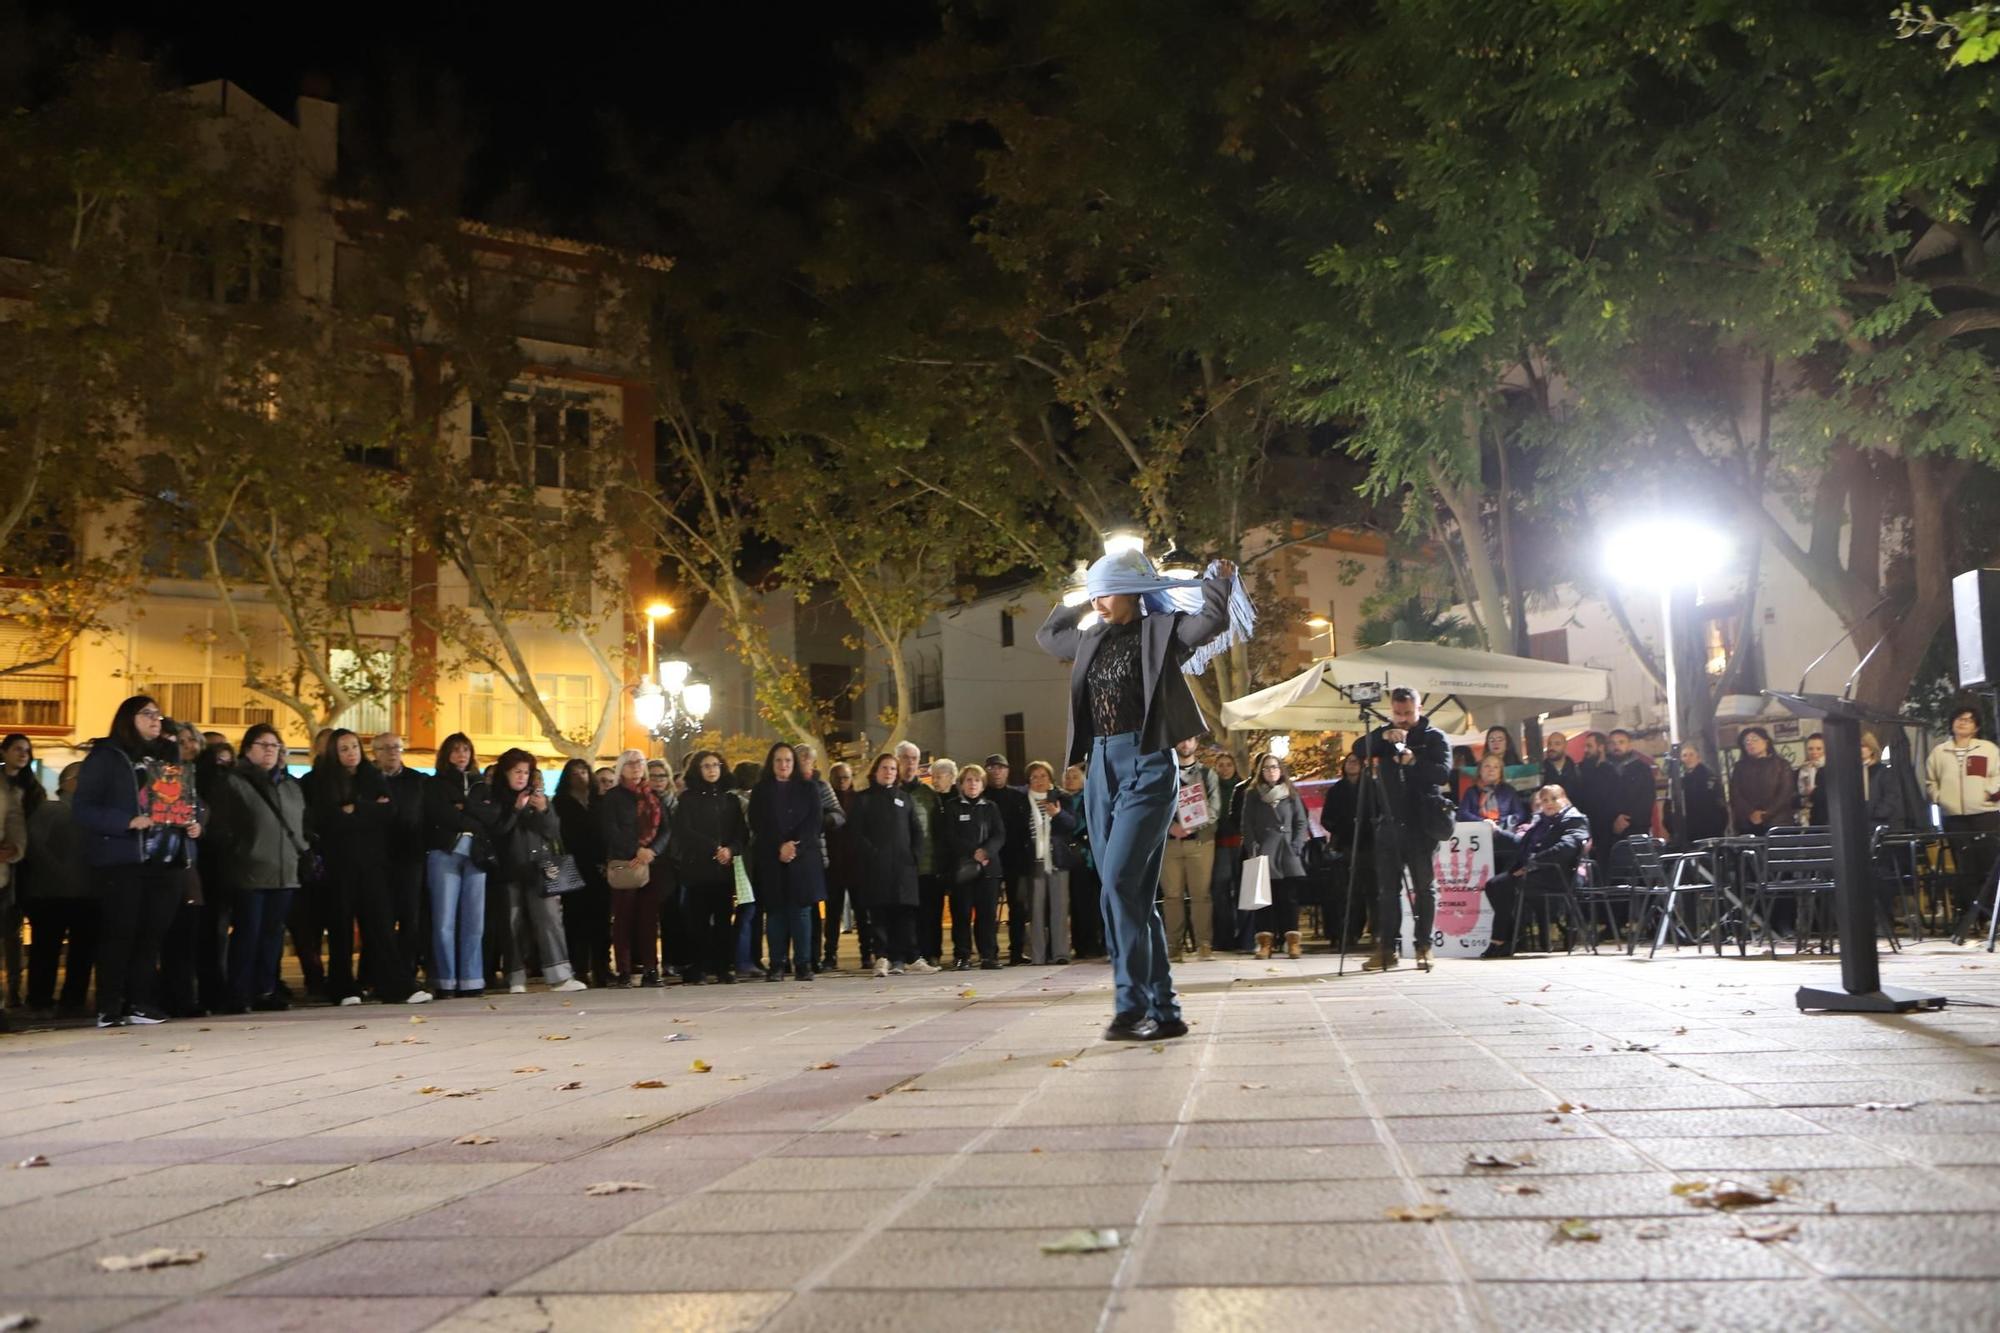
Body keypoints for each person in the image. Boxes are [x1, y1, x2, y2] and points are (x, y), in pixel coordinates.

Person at [1037, 549, 1248, 1041]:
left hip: (1148, 763)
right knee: (1127, 896)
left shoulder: (1162, 631)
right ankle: (1166, 1011)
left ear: (1132, 592)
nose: (1099, 601)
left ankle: (1131, 1006)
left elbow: (1212, 619)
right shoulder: (1091, 636)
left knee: (1118, 885)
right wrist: (1080, 589)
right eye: (1095, 594)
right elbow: (1048, 636)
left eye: (1106, 591)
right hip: (1099, 769)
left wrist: (1220, 582)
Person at [74, 696, 203, 1028]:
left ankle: (139, 1002)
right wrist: (126, 821)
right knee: (121, 933)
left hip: (168, 857)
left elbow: (188, 799)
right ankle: (109, 1006)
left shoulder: (167, 756)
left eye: (158, 715)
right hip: (124, 858)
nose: (155, 720)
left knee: (152, 934)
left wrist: (194, 821)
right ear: (127, 718)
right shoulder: (107, 756)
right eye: (147, 714)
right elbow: (83, 808)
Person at [308, 729, 421, 1005]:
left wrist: (354, 808)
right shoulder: (319, 781)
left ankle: (395, 985)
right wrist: (366, 811)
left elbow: (387, 812)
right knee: (341, 927)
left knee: (381, 926)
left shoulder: (372, 777)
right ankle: (343, 987)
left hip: (373, 864)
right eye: (344, 748)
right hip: (339, 865)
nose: (350, 753)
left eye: (354, 747)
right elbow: (327, 819)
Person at [210, 723, 308, 1012]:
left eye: (274, 745)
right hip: (249, 871)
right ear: (248, 749)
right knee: (247, 934)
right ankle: (239, 993)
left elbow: (300, 823)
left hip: (285, 871)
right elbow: (222, 827)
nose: (269, 750)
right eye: (262, 745)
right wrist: (238, 852)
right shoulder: (233, 782)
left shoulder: (290, 785)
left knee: (273, 935)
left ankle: (265, 990)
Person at [1352, 686, 1451, 973]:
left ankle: (1424, 945)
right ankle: (1387, 948)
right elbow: (1358, 749)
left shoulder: (1434, 738)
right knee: (1386, 891)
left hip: (1422, 824)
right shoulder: (1385, 734)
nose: (1403, 719)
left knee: (1424, 888)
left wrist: (1414, 761)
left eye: (1408, 713)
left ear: (1418, 709)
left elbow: (1443, 773)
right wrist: (1381, 736)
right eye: (1398, 713)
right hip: (1390, 823)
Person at [487, 749, 585, 994]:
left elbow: (553, 831)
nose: (521, 777)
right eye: (516, 772)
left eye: (526, 772)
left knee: (550, 920)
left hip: (539, 868)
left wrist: (543, 810)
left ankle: (560, 976)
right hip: (508, 869)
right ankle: (515, 976)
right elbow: (498, 831)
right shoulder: (494, 798)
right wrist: (516, 809)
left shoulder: (538, 798)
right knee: (512, 924)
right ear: (505, 773)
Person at [747, 742, 831, 982]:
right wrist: (779, 846)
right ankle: (777, 964)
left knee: (801, 913)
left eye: (787, 760)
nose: (783, 765)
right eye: (778, 761)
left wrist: (795, 846)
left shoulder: (808, 788)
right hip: (772, 859)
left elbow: (814, 822)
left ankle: (803, 964)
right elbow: (757, 822)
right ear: (771, 764)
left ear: (794, 763)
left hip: (802, 859)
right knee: (775, 914)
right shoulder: (761, 790)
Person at [422, 732, 497, 999]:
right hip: (445, 851)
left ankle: (471, 978)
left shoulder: (481, 784)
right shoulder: (434, 784)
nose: (461, 754)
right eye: (455, 750)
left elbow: (492, 815)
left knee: (474, 920)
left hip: (476, 854)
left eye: (465, 749)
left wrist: (465, 808)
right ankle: (445, 979)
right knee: (444, 919)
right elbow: (440, 814)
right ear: (446, 754)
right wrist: (470, 813)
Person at [1480, 785, 1591, 958]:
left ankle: (1503, 939)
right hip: (1540, 872)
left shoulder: (1575, 819)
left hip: (1558, 875)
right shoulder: (1543, 822)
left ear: (1564, 799)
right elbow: (1523, 844)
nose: (1549, 804)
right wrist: (1499, 833)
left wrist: (1531, 864)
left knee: (1501, 885)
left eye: (1554, 799)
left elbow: (1566, 848)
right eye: (1545, 800)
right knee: (1494, 885)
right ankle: (1508, 937)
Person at [848, 752, 932, 977]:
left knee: (904, 914)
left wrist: (915, 855)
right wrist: (872, 854)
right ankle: (882, 957)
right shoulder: (863, 798)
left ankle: (910, 957)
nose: (889, 772)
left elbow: (916, 830)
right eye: (884, 768)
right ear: (875, 771)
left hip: (903, 866)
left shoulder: (904, 798)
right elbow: (856, 832)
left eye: (893, 769)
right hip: (876, 867)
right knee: (880, 913)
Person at [670, 750, 748, 984]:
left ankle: (724, 967)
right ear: (697, 769)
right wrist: (713, 848)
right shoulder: (687, 799)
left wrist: (730, 850)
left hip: (724, 870)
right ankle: (698, 967)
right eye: (706, 766)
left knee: (724, 920)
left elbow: (741, 833)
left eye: (716, 765)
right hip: (698, 869)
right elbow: (684, 831)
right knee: (698, 921)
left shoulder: (730, 800)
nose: (712, 769)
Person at [23, 763, 94, 1019]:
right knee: (46, 950)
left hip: (86, 894)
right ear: (67, 782)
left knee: (82, 951)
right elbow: (35, 846)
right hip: (50, 893)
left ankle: (73, 1000)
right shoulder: (51, 810)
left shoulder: (93, 815)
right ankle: (39, 1000)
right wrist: (59, 871)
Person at [597, 749, 669, 987]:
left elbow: (666, 829)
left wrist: (652, 850)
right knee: (624, 920)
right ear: (621, 768)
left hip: (650, 864)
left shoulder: (653, 795)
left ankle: (650, 969)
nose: (636, 766)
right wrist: (635, 850)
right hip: (625, 863)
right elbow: (610, 831)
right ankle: (625, 971)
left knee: (649, 920)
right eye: (630, 763)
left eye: (639, 762)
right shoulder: (613, 797)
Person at [1926, 707, 2000, 921]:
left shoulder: (1988, 749)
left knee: (1989, 861)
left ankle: (1992, 913)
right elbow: (1931, 781)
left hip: (1986, 814)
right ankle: (1972, 914)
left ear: (1976, 726)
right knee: (1964, 864)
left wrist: (1988, 792)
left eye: (1968, 720)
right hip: (1954, 817)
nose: (1963, 723)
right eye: (1959, 719)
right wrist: (1939, 798)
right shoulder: (1940, 752)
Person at [371, 734, 431, 984]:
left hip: (411, 858)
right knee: (380, 920)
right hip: (377, 860)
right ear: (375, 753)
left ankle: (407, 973)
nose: (392, 752)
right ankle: (378, 975)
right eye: (385, 748)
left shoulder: (419, 781)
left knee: (410, 918)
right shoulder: (368, 781)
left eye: (396, 747)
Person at [1240, 750, 1311, 959]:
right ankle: (1265, 943)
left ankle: (1292, 942)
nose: (1271, 771)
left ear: (1281, 770)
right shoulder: (1253, 794)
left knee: (1289, 898)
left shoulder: (1291, 793)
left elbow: (1300, 822)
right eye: (1267, 768)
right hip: (1264, 851)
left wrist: (1297, 845)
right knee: (1263, 899)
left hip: (1287, 850)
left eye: (1274, 767)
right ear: (1260, 772)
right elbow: (1247, 824)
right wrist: (1253, 848)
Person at [1160, 738, 1223, 961]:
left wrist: (1190, 826)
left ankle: (1204, 945)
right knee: (1172, 897)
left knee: (1201, 896)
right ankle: (1173, 947)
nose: (1185, 743)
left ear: (1196, 743)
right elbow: (1153, 807)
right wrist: (1171, 827)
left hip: (1200, 843)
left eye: (1190, 739)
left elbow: (1215, 809)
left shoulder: (1208, 774)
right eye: (1181, 739)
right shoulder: (1162, 773)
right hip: (1169, 844)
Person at [942, 762, 1006, 969]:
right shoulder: (952, 807)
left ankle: (988, 955)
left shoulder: (991, 807)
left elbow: (999, 834)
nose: (973, 784)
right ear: (961, 784)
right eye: (968, 780)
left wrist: (986, 851)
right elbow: (949, 836)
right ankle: (962, 956)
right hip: (963, 869)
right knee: (961, 914)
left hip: (989, 869)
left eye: (977, 780)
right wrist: (973, 852)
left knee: (987, 915)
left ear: (983, 784)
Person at [553, 758, 611, 987]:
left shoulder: (600, 802)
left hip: (598, 866)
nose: (580, 776)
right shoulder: (560, 802)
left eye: (584, 771)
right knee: (574, 919)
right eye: (575, 773)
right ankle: (579, 968)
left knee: (601, 919)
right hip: (571, 865)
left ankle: (602, 968)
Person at [793, 743, 846, 972]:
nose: (805, 761)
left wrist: (820, 822)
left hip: (815, 853)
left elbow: (838, 815)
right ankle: (790, 958)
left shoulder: (821, 786)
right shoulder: (785, 786)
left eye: (808, 758)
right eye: (800, 758)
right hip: (789, 854)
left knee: (813, 909)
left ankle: (814, 957)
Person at [978, 754, 1034, 964]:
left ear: (1007, 770)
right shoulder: (982, 797)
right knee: (988, 907)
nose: (996, 771)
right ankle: (989, 952)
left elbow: (1026, 830)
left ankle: (1017, 951)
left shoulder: (1018, 797)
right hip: (990, 859)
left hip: (1015, 859)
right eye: (992, 767)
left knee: (1017, 907)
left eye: (1000, 767)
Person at [896, 742, 947, 966]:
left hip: (928, 865)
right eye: (905, 758)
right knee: (906, 915)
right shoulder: (892, 792)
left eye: (914, 759)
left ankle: (932, 954)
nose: (910, 763)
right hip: (901, 866)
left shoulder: (928, 794)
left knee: (931, 914)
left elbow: (938, 830)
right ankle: (908, 955)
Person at [1023, 761, 1076, 964]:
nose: (1039, 781)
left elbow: (1072, 824)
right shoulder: (1023, 799)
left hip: (1057, 860)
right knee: (1035, 911)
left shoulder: (1062, 798)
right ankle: (1038, 955)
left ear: (1050, 779)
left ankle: (1060, 953)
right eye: (1034, 777)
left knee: (1060, 909)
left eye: (1043, 776)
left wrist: (1057, 814)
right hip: (1033, 861)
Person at [1320, 753, 1374, 950]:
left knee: (1368, 890)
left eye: (1355, 762)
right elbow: (1326, 818)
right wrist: (1340, 827)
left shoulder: (1371, 787)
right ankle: (1347, 932)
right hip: (1344, 845)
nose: (1352, 765)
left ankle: (1371, 931)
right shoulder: (1337, 790)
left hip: (1368, 845)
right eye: (1349, 762)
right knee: (1346, 892)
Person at [1059, 763, 1103, 958]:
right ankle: (1081, 945)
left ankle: (1097, 943)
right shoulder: (1060, 799)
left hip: (1091, 856)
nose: (1070, 780)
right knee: (1076, 903)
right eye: (1067, 776)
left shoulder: (1091, 798)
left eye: (1075, 776)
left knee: (1093, 902)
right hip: (1068, 856)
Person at [823, 761, 863, 970]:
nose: (841, 781)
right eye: (837, 778)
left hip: (856, 865)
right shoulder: (826, 802)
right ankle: (830, 955)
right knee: (832, 914)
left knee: (863, 913)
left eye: (845, 777)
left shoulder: (859, 801)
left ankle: (867, 953)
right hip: (833, 867)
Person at [1729, 726, 1797, 836]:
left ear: (1766, 742)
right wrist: (1750, 813)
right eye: (1746, 742)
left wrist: (1767, 814)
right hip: (1748, 824)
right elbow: (1735, 794)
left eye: (1755, 740)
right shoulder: (1739, 768)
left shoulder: (1781, 765)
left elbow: (1786, 792)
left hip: (1778, 822)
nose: (1750, 744)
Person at [1669, 742, 1731, 844]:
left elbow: (1719, 804)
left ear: (1698, 758)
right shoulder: (1678, 780)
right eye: (1684, 755)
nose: (1688, 758)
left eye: (1691, 754)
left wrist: (1719, 824)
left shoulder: (1710, 778)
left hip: (1709, 828)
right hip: (1686, 830)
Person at [1457, 753, 1527, 829]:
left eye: (1496, 767)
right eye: (1487, 766)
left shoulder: (1509, 791)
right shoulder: (1471, 791)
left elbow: (1520, 814)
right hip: (1478, 831)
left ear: (1500, 772)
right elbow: (1462, 814)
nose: (1491, 770)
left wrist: (1504, 822)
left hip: (1504, 830)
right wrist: (1483, 822)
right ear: (1480, 770)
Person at [1798, 732, 1827, 826]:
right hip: (1806, 815)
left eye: (1819, 748)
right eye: (1810, 749)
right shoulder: (1802, 769)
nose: (1814, 752)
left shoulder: (1832, 768)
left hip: (1826, 815)